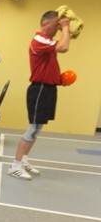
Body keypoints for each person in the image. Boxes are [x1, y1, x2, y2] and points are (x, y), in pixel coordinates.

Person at [8, 10, 71, 180]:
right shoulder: (39, 39)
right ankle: (15, 165)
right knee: (33, 128)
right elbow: (64, 47)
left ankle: (23, 161)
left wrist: (59, 79)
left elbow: (48, 66)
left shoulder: (48, 43)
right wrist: (66, 27)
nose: (58, 28)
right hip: (39, 89)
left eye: (60, 26)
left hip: (48, 88)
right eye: (56, 25)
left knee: (38, 128)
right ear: (45, 23)